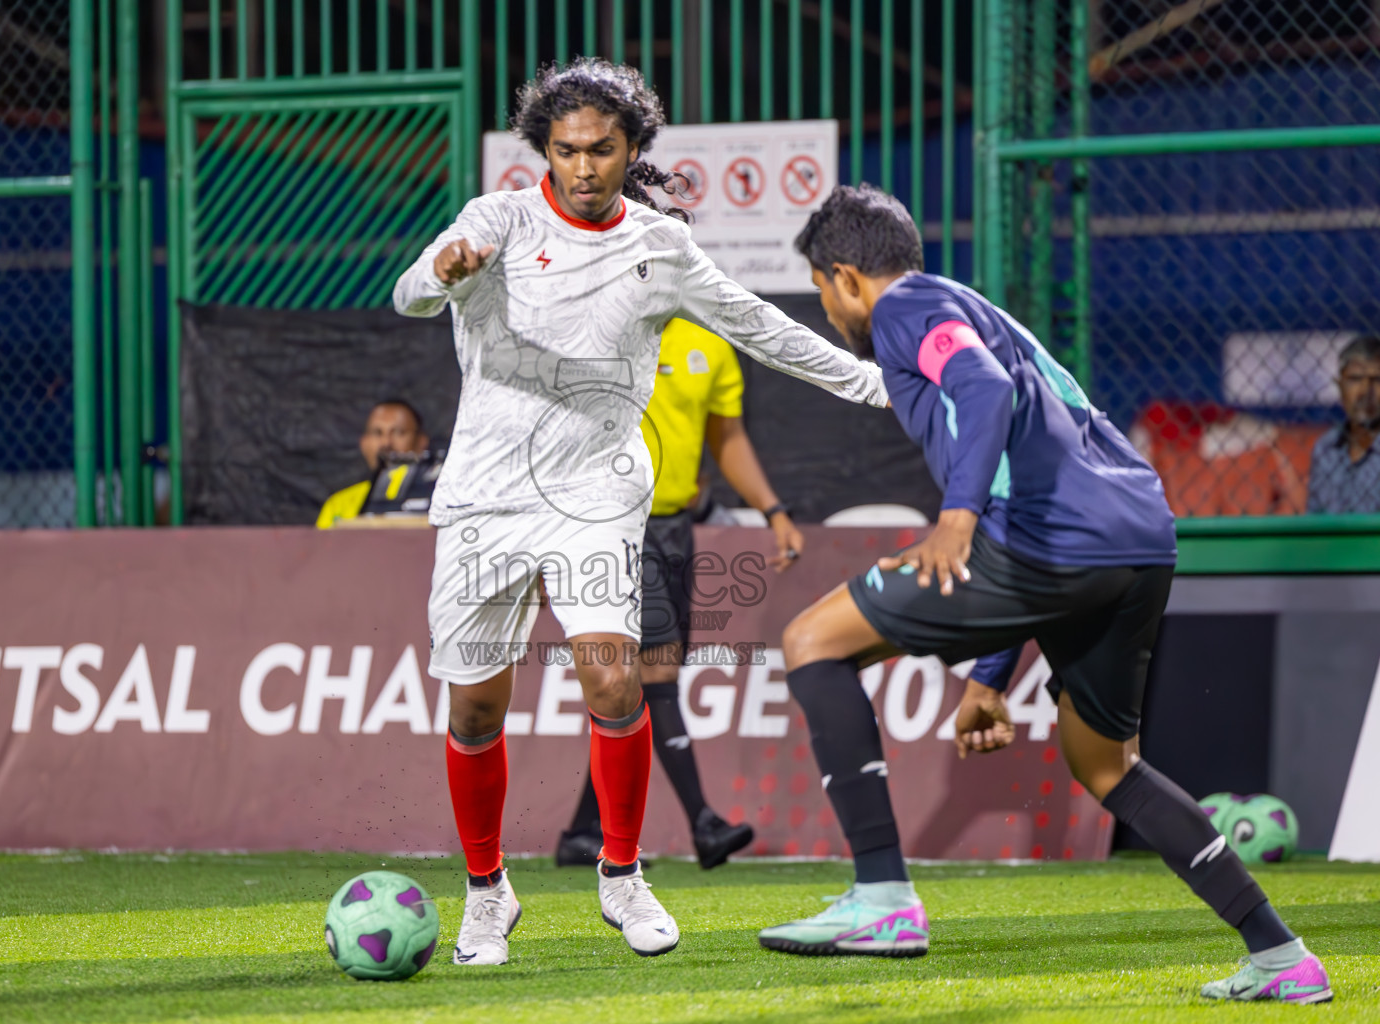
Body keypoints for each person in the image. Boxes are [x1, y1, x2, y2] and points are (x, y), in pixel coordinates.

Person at [755, 185, 1332, 1006]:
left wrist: (953, 520)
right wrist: (989, 679)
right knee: (1104, 763)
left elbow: (983, 395)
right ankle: (1281, 956)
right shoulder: (976, 310)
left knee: (812, 641)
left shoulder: (905, 308)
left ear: (845, 275)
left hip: (1051, 542)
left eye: (819, 288)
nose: (825, 305)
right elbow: (1026, 462)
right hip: (1138, 543)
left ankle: (882, 899)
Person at [392, 58, 888, 966]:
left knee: (617, 682)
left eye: (603, 150)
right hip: (486, 501)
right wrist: (443, 266)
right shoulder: (496, 221)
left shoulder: (660, 248)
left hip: (593, 496)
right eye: (567, 149)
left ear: (632, 151)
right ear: (542, 148)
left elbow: (761, 327)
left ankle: (621, 876)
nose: (583, 167)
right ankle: (485, 895)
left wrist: (869, 383)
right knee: (473, 710)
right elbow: (409, 291)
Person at [555, 317, 798, 870]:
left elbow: (727, 439)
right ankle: (703, 823)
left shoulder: (709, 343)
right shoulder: (598, 328)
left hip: (674, 529)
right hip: (610, 522)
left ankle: (582, 832)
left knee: (640, 680)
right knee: (658, 671)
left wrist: (773, 511)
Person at [316, 400, 435, 526]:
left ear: (422, 441)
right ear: (363, 443)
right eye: (377, 433)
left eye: (399, 432)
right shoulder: (338, 504)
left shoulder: (439, 498)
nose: (386, 443)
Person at [1307, 335, 1380, 514]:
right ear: (1339, 387)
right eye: (1355, 379)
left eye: (1377, 380)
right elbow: (1314, 522)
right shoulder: (1325, 448)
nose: (1364, 391)